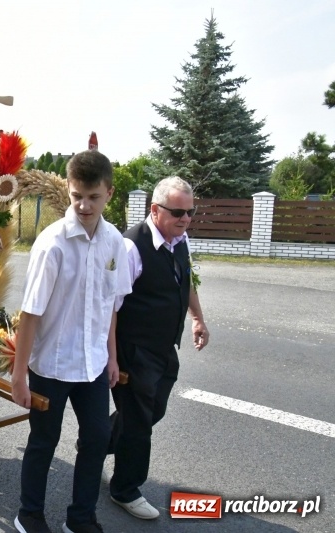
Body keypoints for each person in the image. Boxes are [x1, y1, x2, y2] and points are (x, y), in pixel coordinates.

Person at [11, 150, 132, 533]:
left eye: (93, 197)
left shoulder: (115, 242)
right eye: (77, 194)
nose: (83, 204)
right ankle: (29, 514)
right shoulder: (53, 244)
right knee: (44, 441)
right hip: (52, 364)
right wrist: (18, 375)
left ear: (109, 194)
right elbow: (30, 313)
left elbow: (111, 306)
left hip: (93, 364)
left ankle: (80, 519)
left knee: (97, 439)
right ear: (69, 187)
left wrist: (112, 359)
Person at [106, 176, 210, 521]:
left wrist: (197, 318)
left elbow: (187, 278)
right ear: (155, 209)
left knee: (153, 411)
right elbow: (112, 307)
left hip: (165, 347)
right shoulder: (131, 247)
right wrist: (112, 357)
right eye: (178, 212)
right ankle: (125, 488)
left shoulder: (179, 238)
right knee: (138, 422)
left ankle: (98, 443)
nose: (185, 219)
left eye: (190, 212)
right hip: (134, 349)